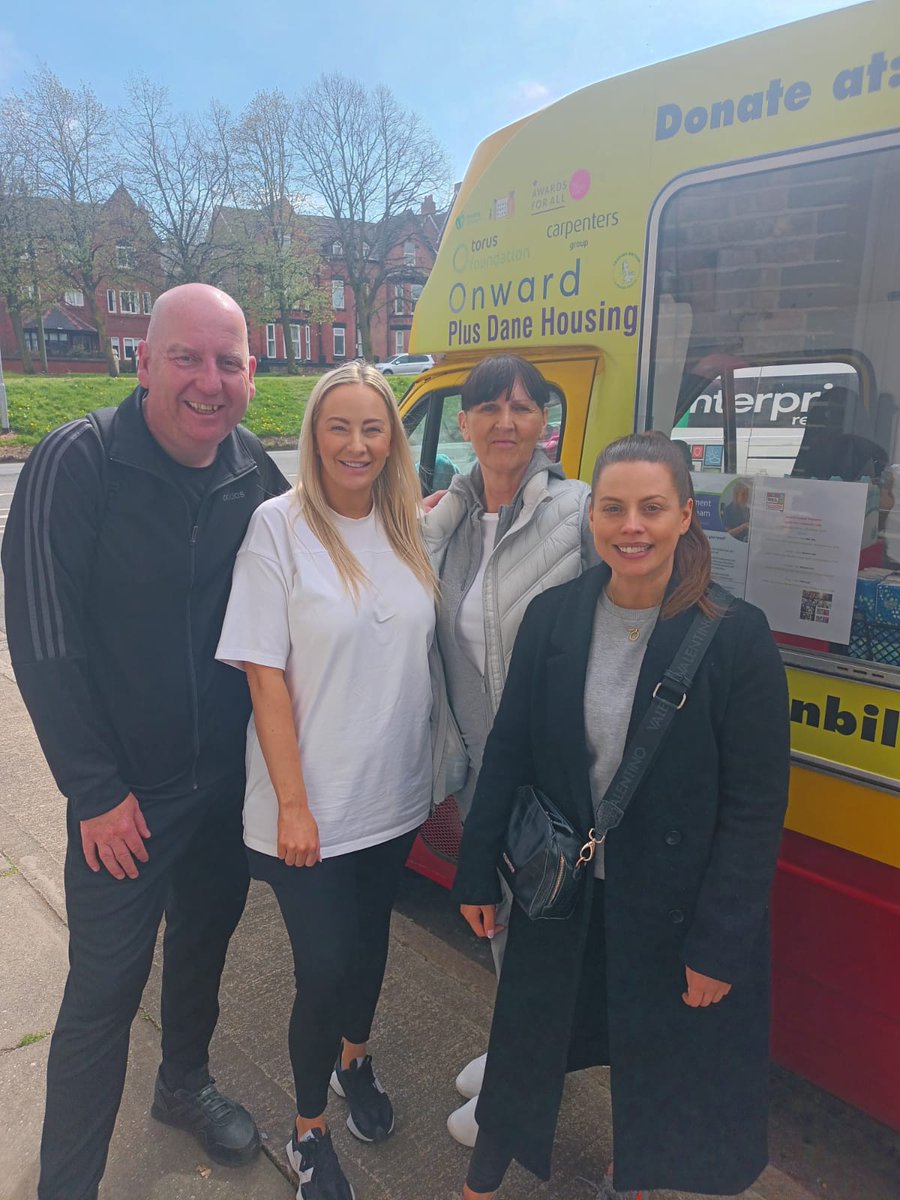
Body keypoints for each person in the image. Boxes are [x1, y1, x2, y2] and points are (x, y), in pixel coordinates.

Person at [2, 284, 290, 1199]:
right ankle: (68, 1185)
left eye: (229, 361)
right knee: (103, 996)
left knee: (204, 946)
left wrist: (423, 514)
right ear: (143, 362)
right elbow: (43, 636)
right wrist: (92, 789)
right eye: (188, 358)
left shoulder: (252, 466)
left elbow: (323, 549)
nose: (210, 381)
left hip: (220, 787)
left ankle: (183, 1085)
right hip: (125, 798)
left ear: (250, 372)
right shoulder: (76, 461)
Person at [452, 431, 790, 1199]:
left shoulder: (737, 638)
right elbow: (508, 752)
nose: (630, 525)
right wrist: (476, 868)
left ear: (683, 518)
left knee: (658, 1068)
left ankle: (630, 1179)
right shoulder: (554, 617)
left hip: (672, 911)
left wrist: (721, 943)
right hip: (565, 895)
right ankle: (482, 1180)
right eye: (613, 508)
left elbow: (754, 807)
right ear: (593, 518)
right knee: (528, 1047)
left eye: (651, 507)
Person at [216, 362, 456, 1200]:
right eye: (338, 427)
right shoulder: (277, 528)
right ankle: (308, 1128)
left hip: (392, 795)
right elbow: (262, 674)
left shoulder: (410, 528)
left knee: (370, 946)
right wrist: (292, 803)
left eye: (374, 428)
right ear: (314, 437)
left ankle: (357, 1056)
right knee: (323, 966)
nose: (357, 444)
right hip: (306, 809)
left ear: (393, 440)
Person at [422, 354, 597, 1146]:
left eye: (523, 408)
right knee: (496, 924)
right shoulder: (444, 520)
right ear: (463, 422)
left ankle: (521, 1092)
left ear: (544, 424)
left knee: (538, 934)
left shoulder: (580, 513)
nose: (505, 422)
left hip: (551, 777)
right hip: (480, 770)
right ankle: (514, 1049)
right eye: (488, 407)